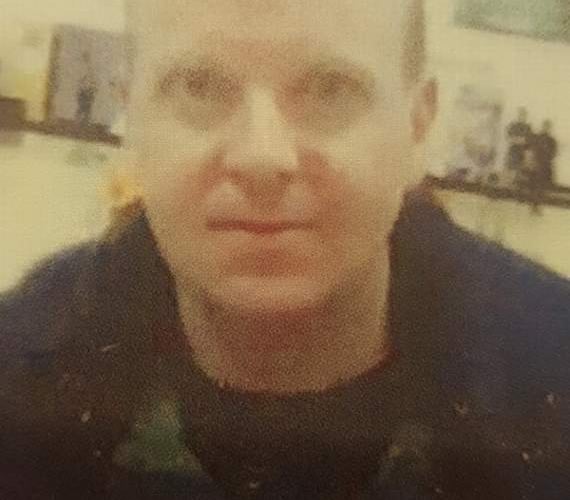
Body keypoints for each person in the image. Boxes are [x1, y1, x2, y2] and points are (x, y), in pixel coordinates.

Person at [1, 1, 570, 498]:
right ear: (133, 123)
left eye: (330, 88)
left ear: (417, 128)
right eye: (199, 85)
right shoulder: (17, 371)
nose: (262, 157)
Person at [505, 107, 533, 183]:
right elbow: (508, 137)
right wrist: (517, 140)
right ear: (518, 116)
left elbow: (529, 140)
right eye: (520, 115)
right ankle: (509, 182)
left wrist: (521, 140)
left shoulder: (527, 127)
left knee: (521, 170)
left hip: (522, 151)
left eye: (523, 115)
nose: (522, 117)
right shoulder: (513, 125)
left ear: (525, 117)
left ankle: (517, 183)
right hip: (513, 150)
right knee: (511, 168)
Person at [532, 120, 558, 188]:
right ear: (543, 127)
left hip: (547, 161)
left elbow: (554, 151)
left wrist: (549, 157)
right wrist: (536, 158)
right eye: (545, 126)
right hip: (538, 161)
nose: (546, 129)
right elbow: (534, 148)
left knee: (548, 176)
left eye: (548, 127)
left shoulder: (551, 140)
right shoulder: (537, 137)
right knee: (538, 175)